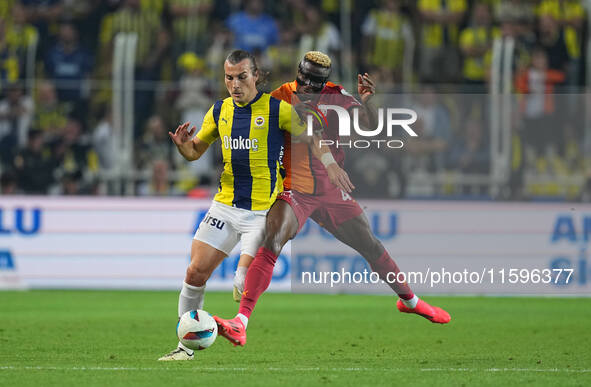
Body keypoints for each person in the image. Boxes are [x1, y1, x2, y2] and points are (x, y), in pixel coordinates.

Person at [214, 51, 451, 347]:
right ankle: (240, 321)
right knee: (272, 240)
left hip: (329, 188)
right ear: (297, 75)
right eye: (301, 81)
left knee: (370, 244)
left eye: (311, 86)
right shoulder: (279, 97)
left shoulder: (338, 97)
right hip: (294, 187)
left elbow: (372, 128)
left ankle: (410, 300)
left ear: (323, 84)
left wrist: (369, 103)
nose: (304, 89)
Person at [158, 49, 350, 361]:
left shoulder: (278, 110)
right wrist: (183, 147)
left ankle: (238, 321)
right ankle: (184, 347)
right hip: (225, 206)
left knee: (240, 280)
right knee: (194, 273)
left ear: (256, 76)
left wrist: (329, 164)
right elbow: (195, 152)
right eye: (229, 77)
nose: (234, 84)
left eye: (241, 77)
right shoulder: (219, 111)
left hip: (262, 212)